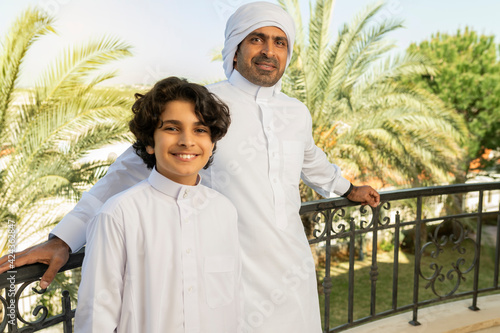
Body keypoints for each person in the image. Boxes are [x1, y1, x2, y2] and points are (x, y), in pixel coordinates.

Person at [0, 2, 380, 332]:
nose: (268, 50)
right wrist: (63, 239)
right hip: (229, 279)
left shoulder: (297, 113)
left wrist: (348, 189)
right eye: (256, 39)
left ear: (288, 53)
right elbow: (124, 175)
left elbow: (311, 159)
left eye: (279, 42)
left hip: (293, 270)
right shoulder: (205, 108)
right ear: (235, 49)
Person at [74, 77, 241, 332]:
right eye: (172, 128)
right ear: (150, 142)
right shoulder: (118, 215)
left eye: (200, 130)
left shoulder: (224, 211)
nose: (187, 141)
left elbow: (232, 306)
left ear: (212, 143)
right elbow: (96, 318)